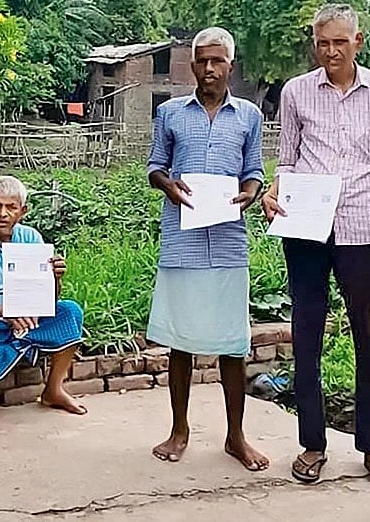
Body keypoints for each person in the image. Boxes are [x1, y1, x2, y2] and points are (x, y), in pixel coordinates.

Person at [261, 3, 370, 488]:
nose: (330, 51)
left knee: (369, 337)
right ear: (315, 43)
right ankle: (312, 444)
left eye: (339, 42)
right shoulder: (297, 91)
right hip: (306, 230)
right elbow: (287, 160)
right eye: (322, 43)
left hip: (362, 231)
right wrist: (274, 192)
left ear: (358, 42)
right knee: (306, 334)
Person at [144, 27, 269, 470]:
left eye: (217, 61)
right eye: (202, 61)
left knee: (233, 345)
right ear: (192, 64)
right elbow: (155, 167)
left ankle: (236, 436)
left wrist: (250, 193)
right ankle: (180, 430)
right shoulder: (171, 114)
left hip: (229, 245)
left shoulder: (249, 116)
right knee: (181, 343)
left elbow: (253, 170)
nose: (210, 69)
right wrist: (169, 185)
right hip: (183, 241)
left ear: (230, 66)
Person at [0, 176, 85, 426]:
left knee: (70, 311)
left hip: (27, 319)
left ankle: (53, 390)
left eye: (11, 208)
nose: (3, 214)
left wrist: (55, 278)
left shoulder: (31, 237)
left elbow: (48, 299)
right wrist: (5, 312)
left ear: (23, 211)